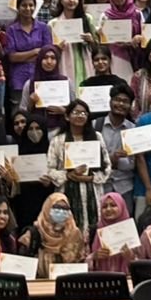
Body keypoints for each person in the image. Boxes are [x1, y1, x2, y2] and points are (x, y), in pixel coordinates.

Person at [44, 99, 108, 233]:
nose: (80, 116)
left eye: (84, 113)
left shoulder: (97, 137)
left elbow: (107, 166)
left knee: (93, 230)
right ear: (67, 116)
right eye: (76, 112)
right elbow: (50, 169)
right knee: (67, 231)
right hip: (66, 191)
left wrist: (90, 178)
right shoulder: (58, 140)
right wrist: (69, 175)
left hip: (93, 191)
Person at [27, 190, 88, 277]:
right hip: (38, 282)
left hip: (68, 281)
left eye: (65, 208)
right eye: (57, 207)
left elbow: (80, 261)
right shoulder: (34, 233)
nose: (61, 211)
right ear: (47, 207)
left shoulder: (75, 234)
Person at [88, 191, 139, 273]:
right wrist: (94, 256)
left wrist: (130, 256)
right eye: (104, 206)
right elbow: (82, 263)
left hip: (126, 277)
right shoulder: (93, 231)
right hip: (99, 278)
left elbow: (142, 262)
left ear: (121, 207)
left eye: (113, 205)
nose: (108, 209)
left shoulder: (131, 231)